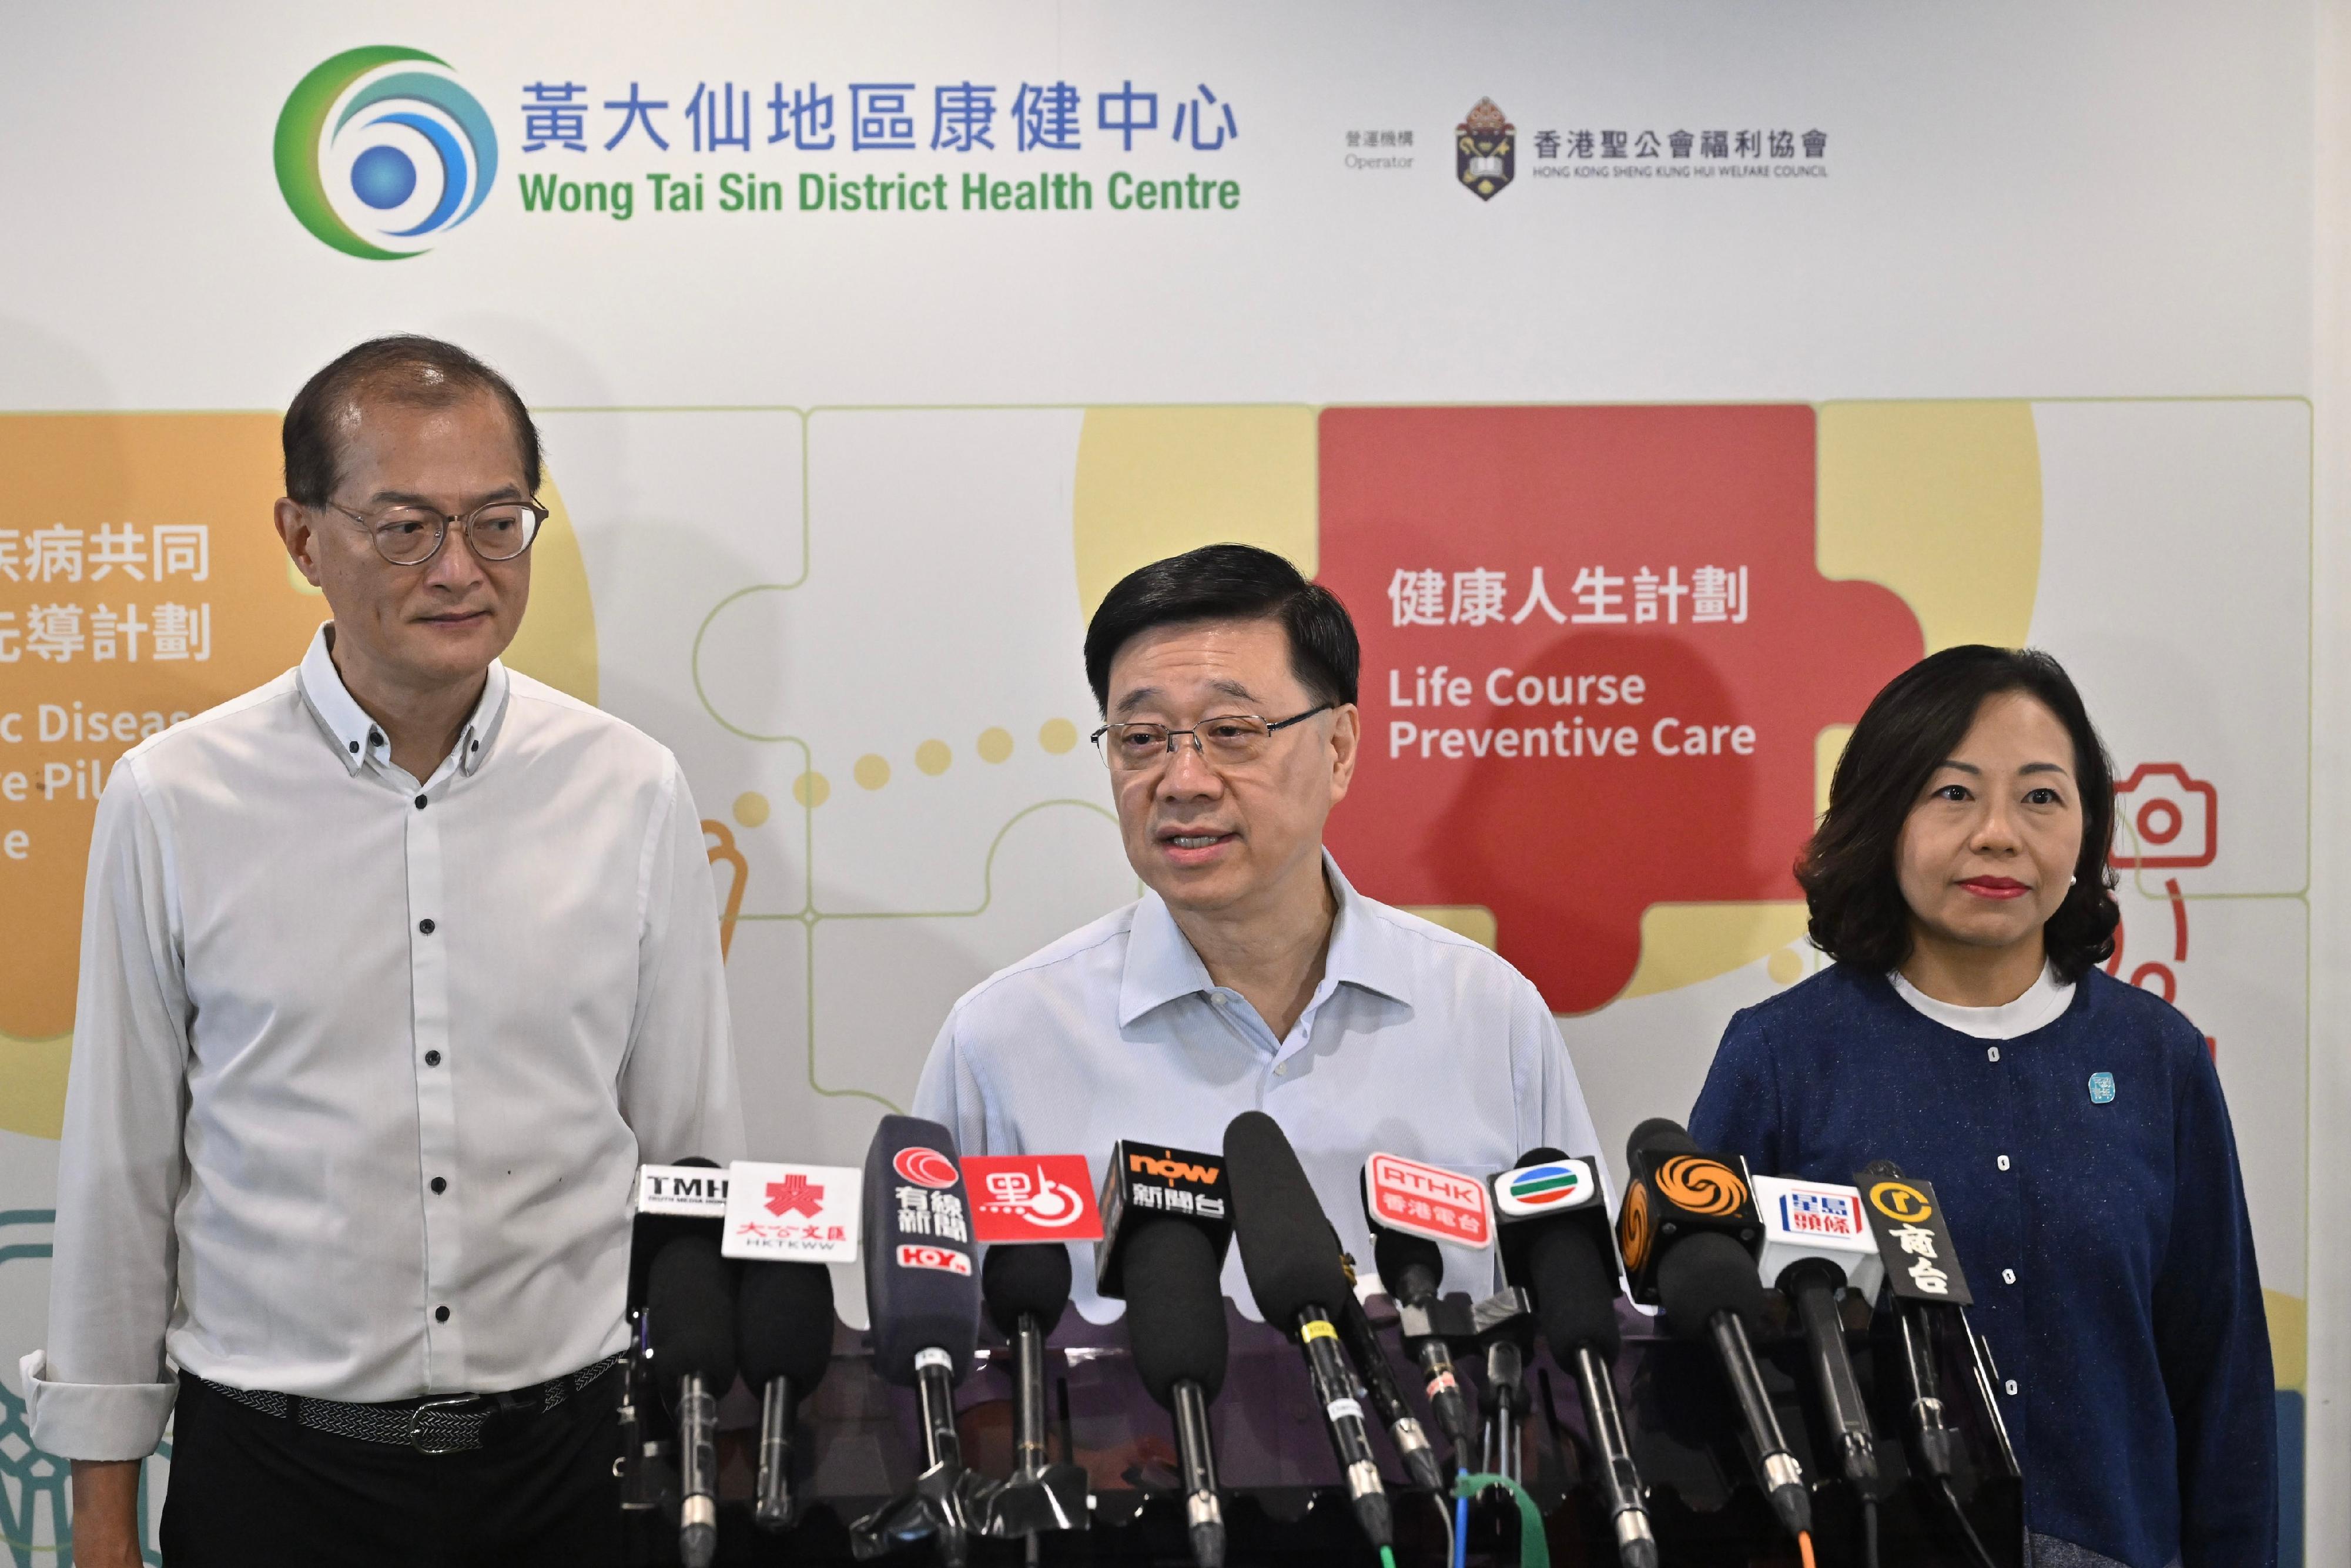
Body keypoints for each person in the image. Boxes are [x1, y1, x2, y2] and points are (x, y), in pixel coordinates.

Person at [22, 336, 742, 1566]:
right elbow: (120, 1172)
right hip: (274, 1476)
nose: (459, 568)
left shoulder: (629, 788)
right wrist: (100, 1517)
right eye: (405, 526)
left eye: (497, 521)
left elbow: (688, 1147)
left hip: (572, 1472)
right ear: (304, 537)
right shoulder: (177, 796)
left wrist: (705, 1434)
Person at [1690, 645, 2274, 1568]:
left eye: (2042, 797)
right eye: (1953, 794)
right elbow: (1704, 1365)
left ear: (2087, 830)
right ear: (1884, 818)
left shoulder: (2157, 1059)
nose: (2000, 834)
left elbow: (2222, 1379)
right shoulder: (1783, 1057)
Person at [912, 543, 1601, 1310]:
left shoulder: (1487, 1015)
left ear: (1338, 750)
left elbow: (1577, 1336)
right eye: (1141, 739)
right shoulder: (1004, 1042)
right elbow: (946, 1382)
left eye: (1232, 731)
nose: (1183, 782)